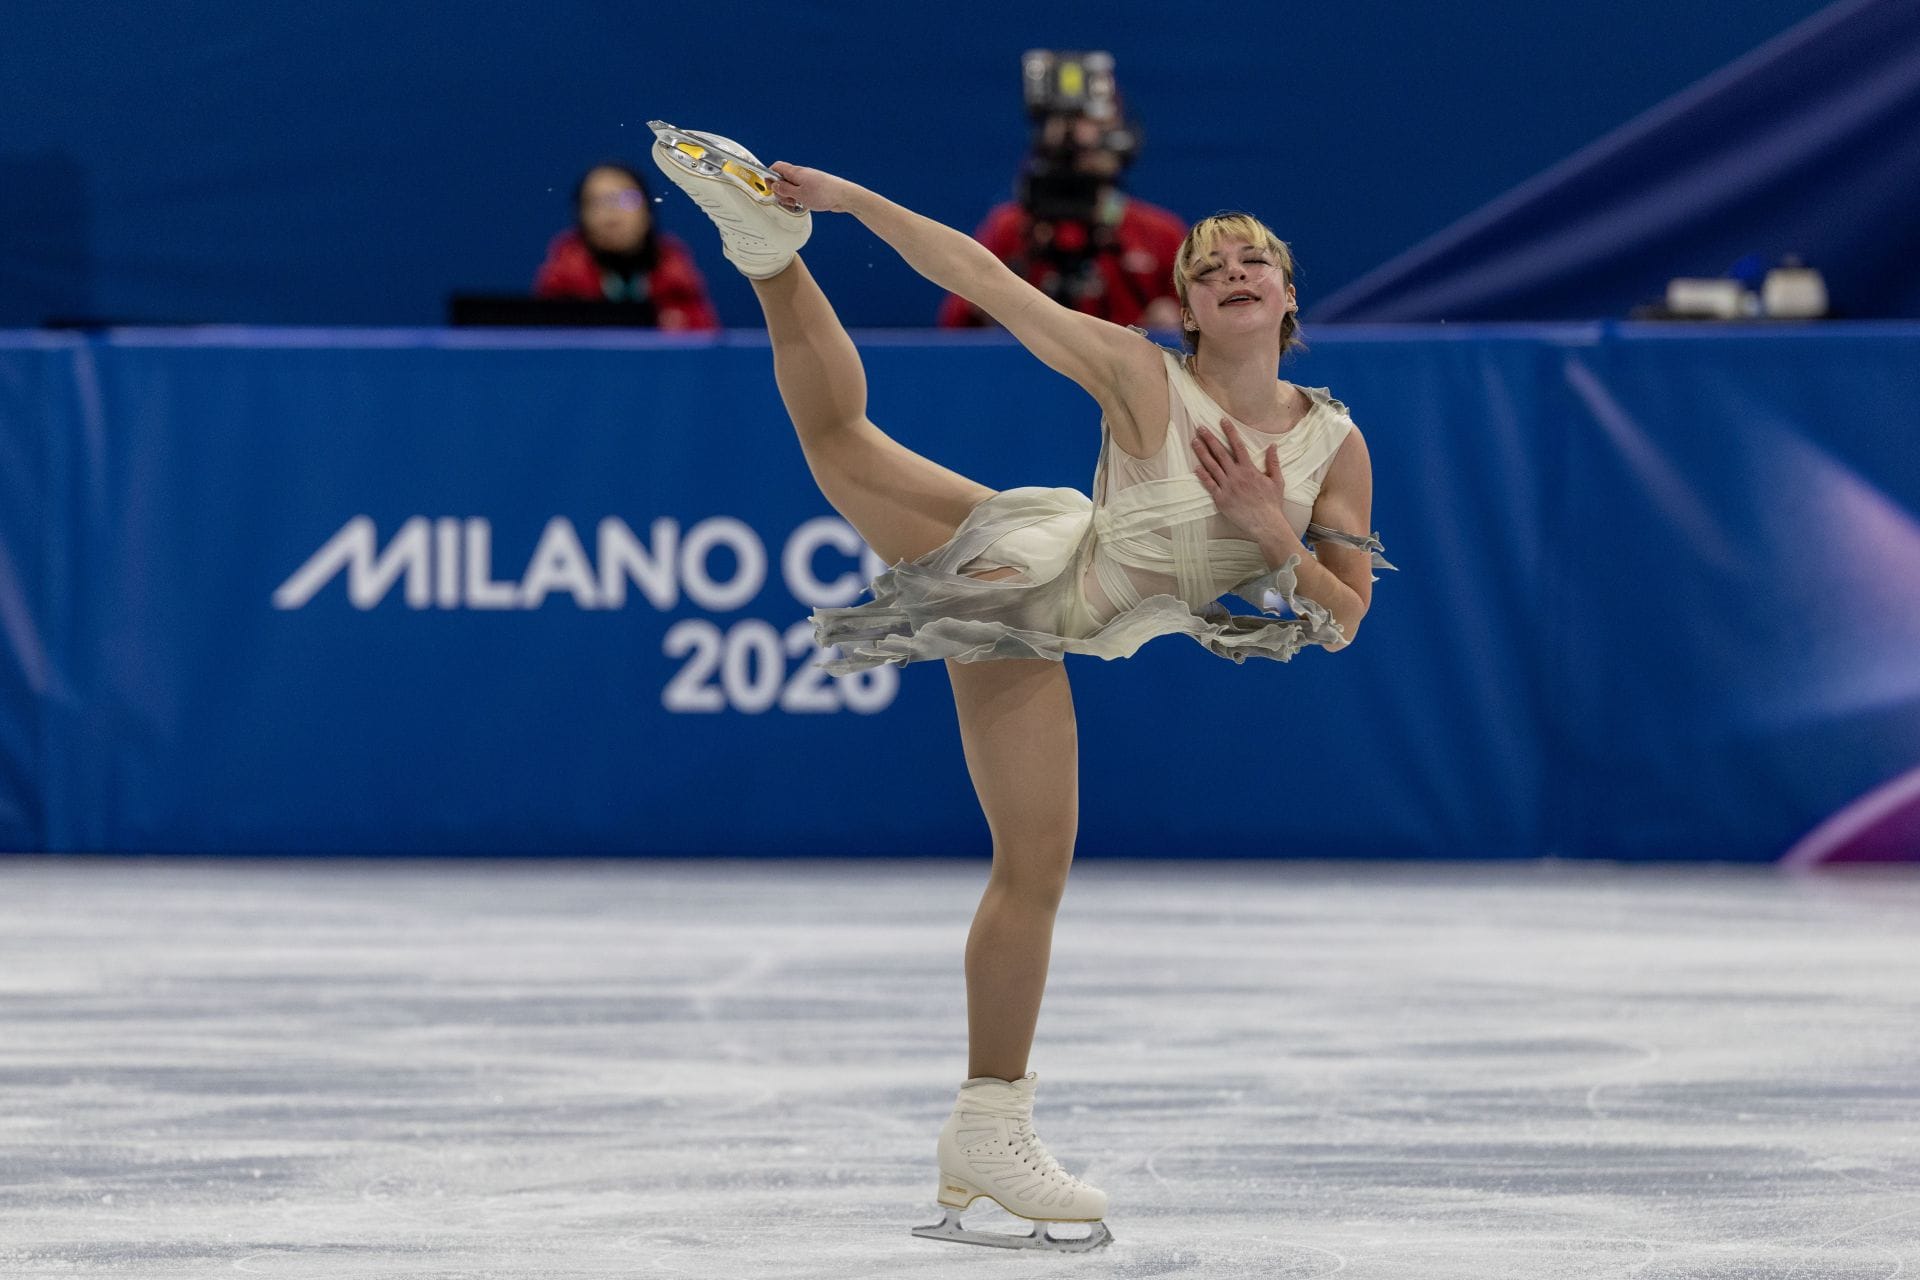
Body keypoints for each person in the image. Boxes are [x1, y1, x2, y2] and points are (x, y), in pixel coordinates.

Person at [648, 121, 1389, 1253]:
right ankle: (769, 246)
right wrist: (856, 196)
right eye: (1207, 265)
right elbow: (984, 276)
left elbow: (1345, 619)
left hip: (1073, 616)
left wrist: (1269, 538)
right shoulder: (1145, 374)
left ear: (1290, 296)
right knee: (841, 441)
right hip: (1029, 583)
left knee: (1034, 867)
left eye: (1253, 262)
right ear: (1186, 308)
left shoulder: (1333, 443)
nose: (1232, 273)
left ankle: (980, 1134)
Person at [937, 51, 1187, 332]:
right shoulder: (1011, 229)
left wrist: (1174, 327)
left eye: (1094, 122)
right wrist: (987, 299)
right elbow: (955, 331)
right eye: (1067, 124)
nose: (1081, 138)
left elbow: (1203, 339)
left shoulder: (1160, 234)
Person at [533, 163, 720, 329]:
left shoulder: (679, 285)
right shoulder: (559, 289)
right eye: (596, 203)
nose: (611, 217)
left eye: (627, 200)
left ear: (648, 212)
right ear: (580, 217)